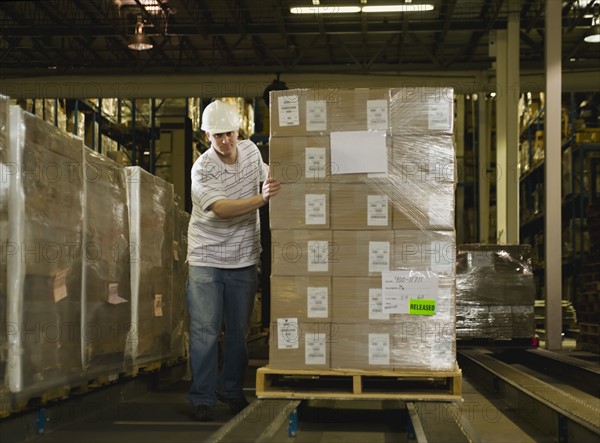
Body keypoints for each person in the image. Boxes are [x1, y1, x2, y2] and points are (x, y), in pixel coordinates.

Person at [186, 100, 280, 421]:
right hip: (207, 258)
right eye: (218, 136)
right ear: (206, 135)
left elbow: (271, 175)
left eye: (230, 134)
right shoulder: (203, 168)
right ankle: (202, 397)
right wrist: (261, 199)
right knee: (205, 331)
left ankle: (230, 390)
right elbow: (222, 209)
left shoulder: (252, 152)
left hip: (243, 258)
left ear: (239, 131)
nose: (225, 141)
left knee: (239, 331)